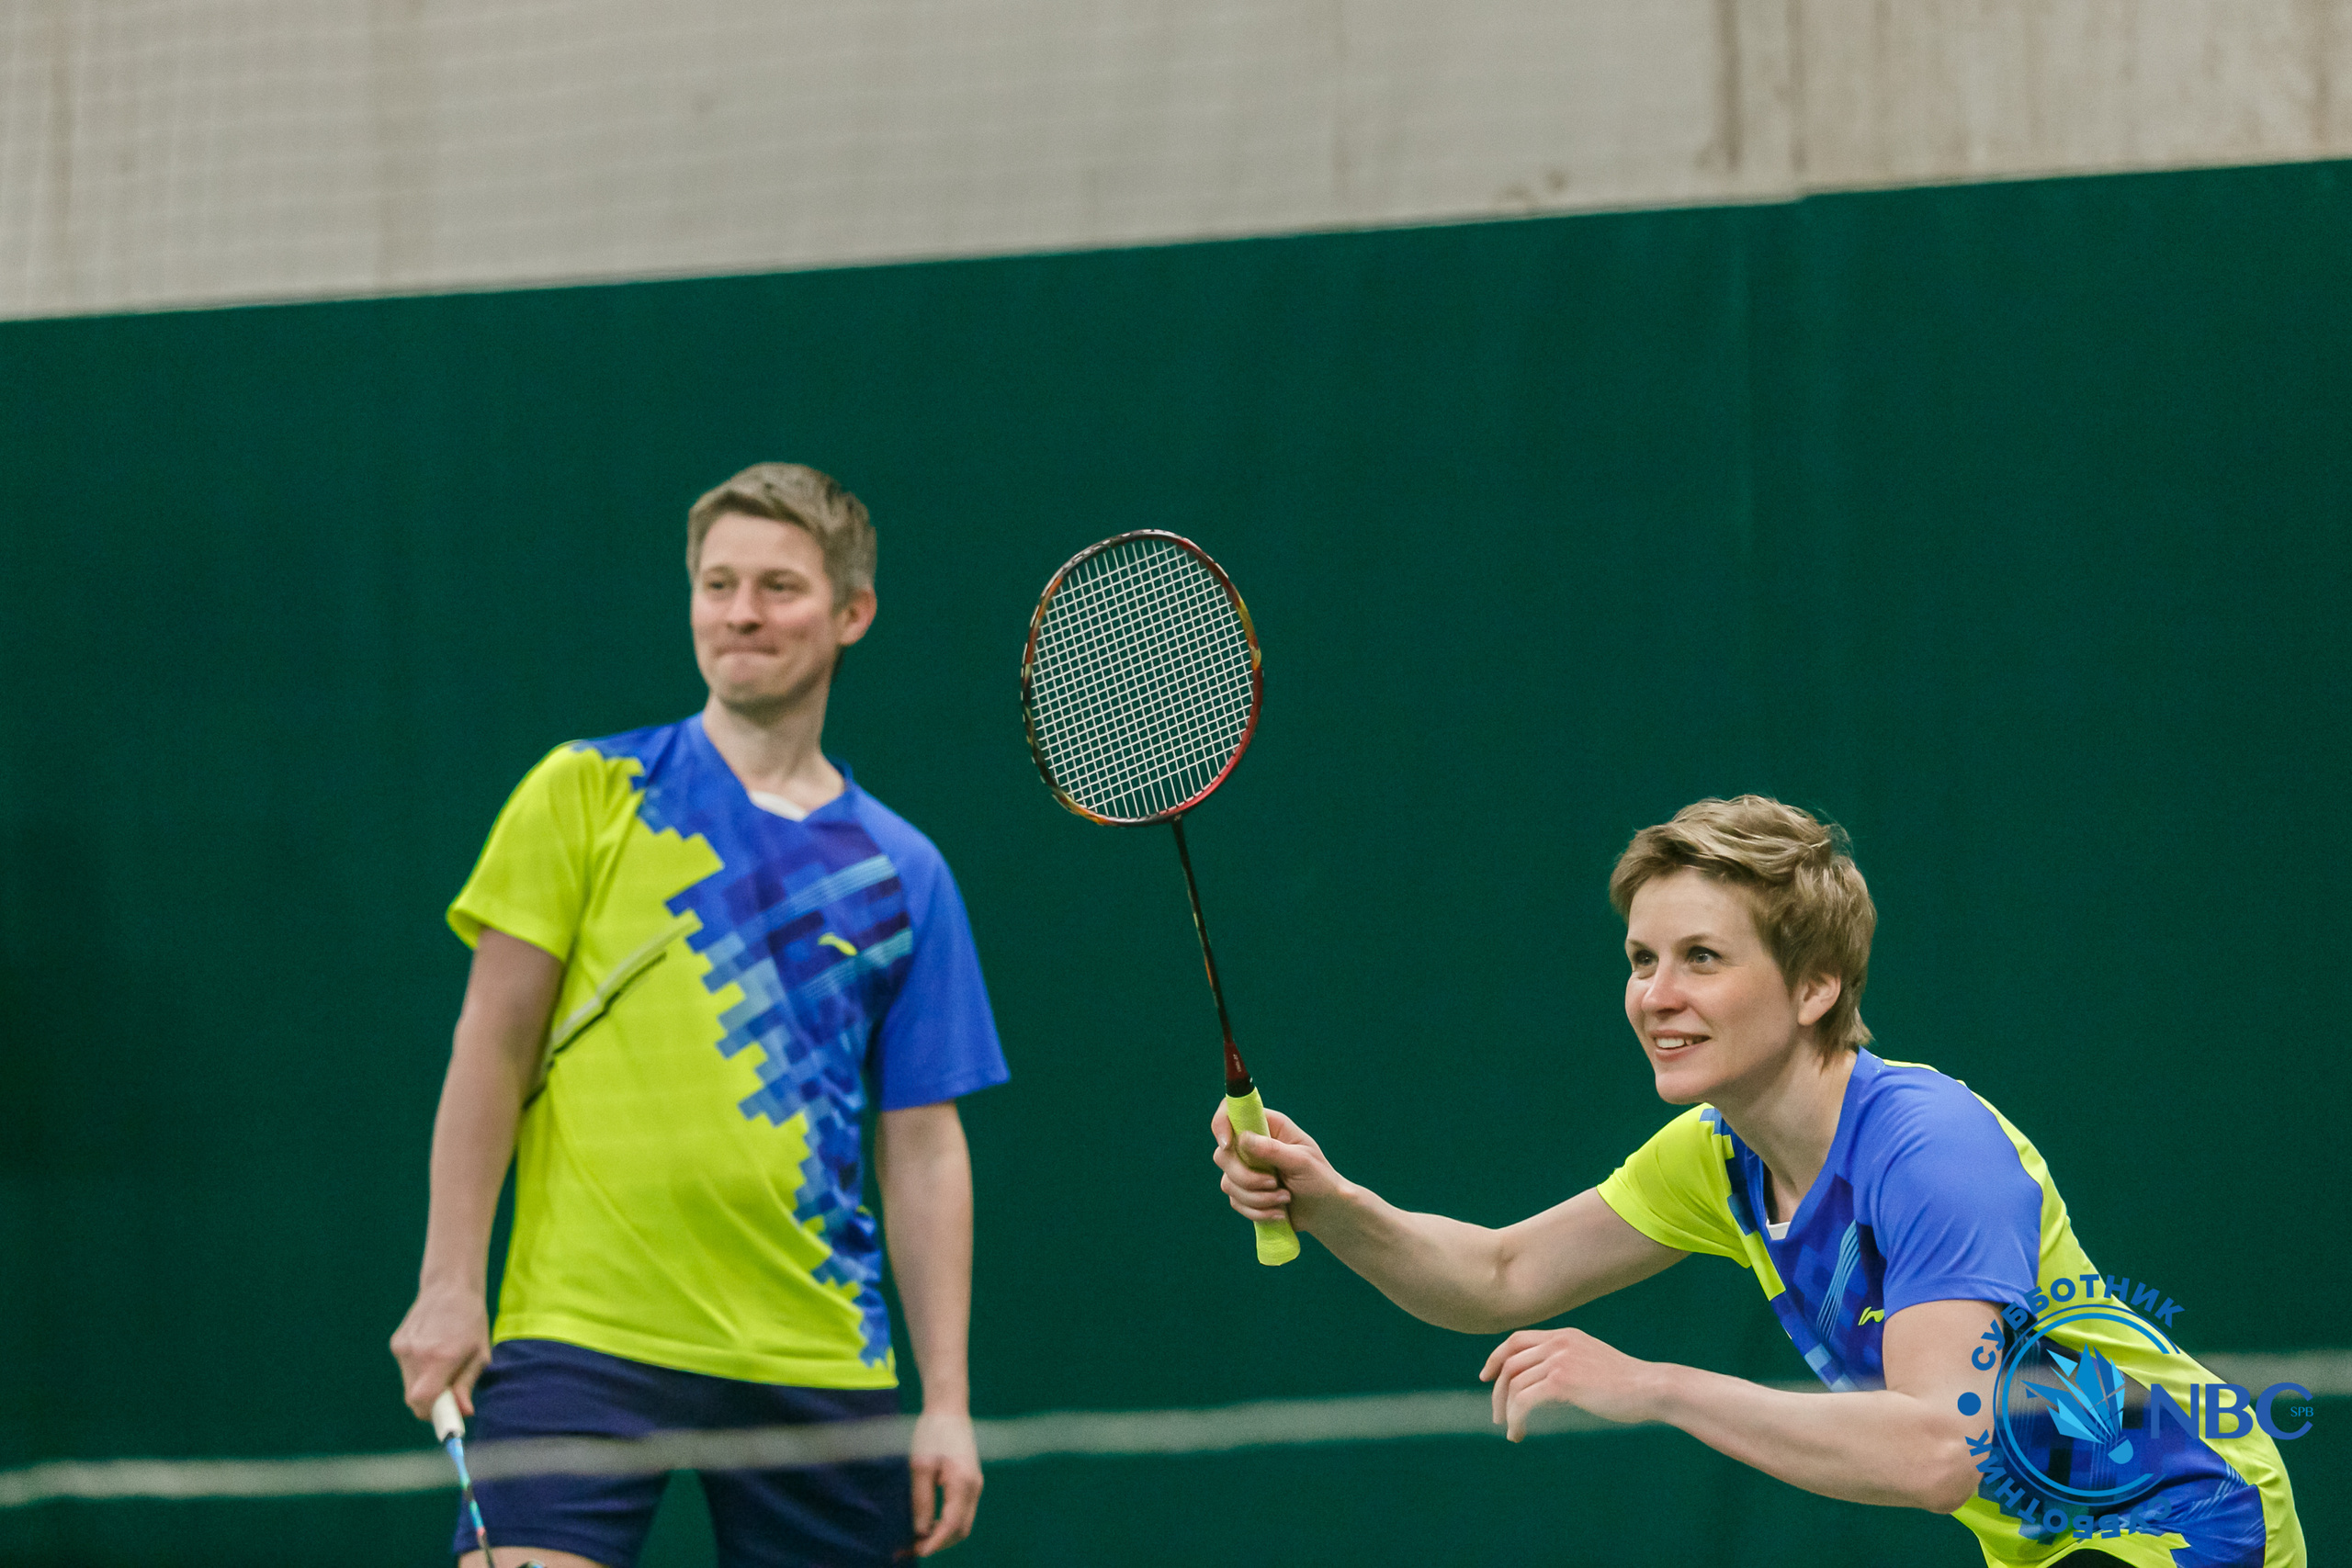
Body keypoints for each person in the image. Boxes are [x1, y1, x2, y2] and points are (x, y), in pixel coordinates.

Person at [1212, 796, 2301, 1568]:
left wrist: (1654, 1387)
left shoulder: (1930, 1151)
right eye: (1642, 960)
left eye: (1702, 958)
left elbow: (1938, 1450)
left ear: (1817, 984)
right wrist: (1331, 1204)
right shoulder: (1714, 1153)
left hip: (2188, 1517)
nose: (1655, 996)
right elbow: (1497, 1275)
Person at [392, 463, 1008, 1568]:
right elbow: (489, 1046)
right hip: (582, 1329)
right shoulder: (585, 792)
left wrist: (947, 1398)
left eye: (777, 586)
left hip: (813, 1350)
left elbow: (922, 1144)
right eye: (717, 584)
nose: (740, 613)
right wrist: (450, 1283)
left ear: (851, 613)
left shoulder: (904, 873)